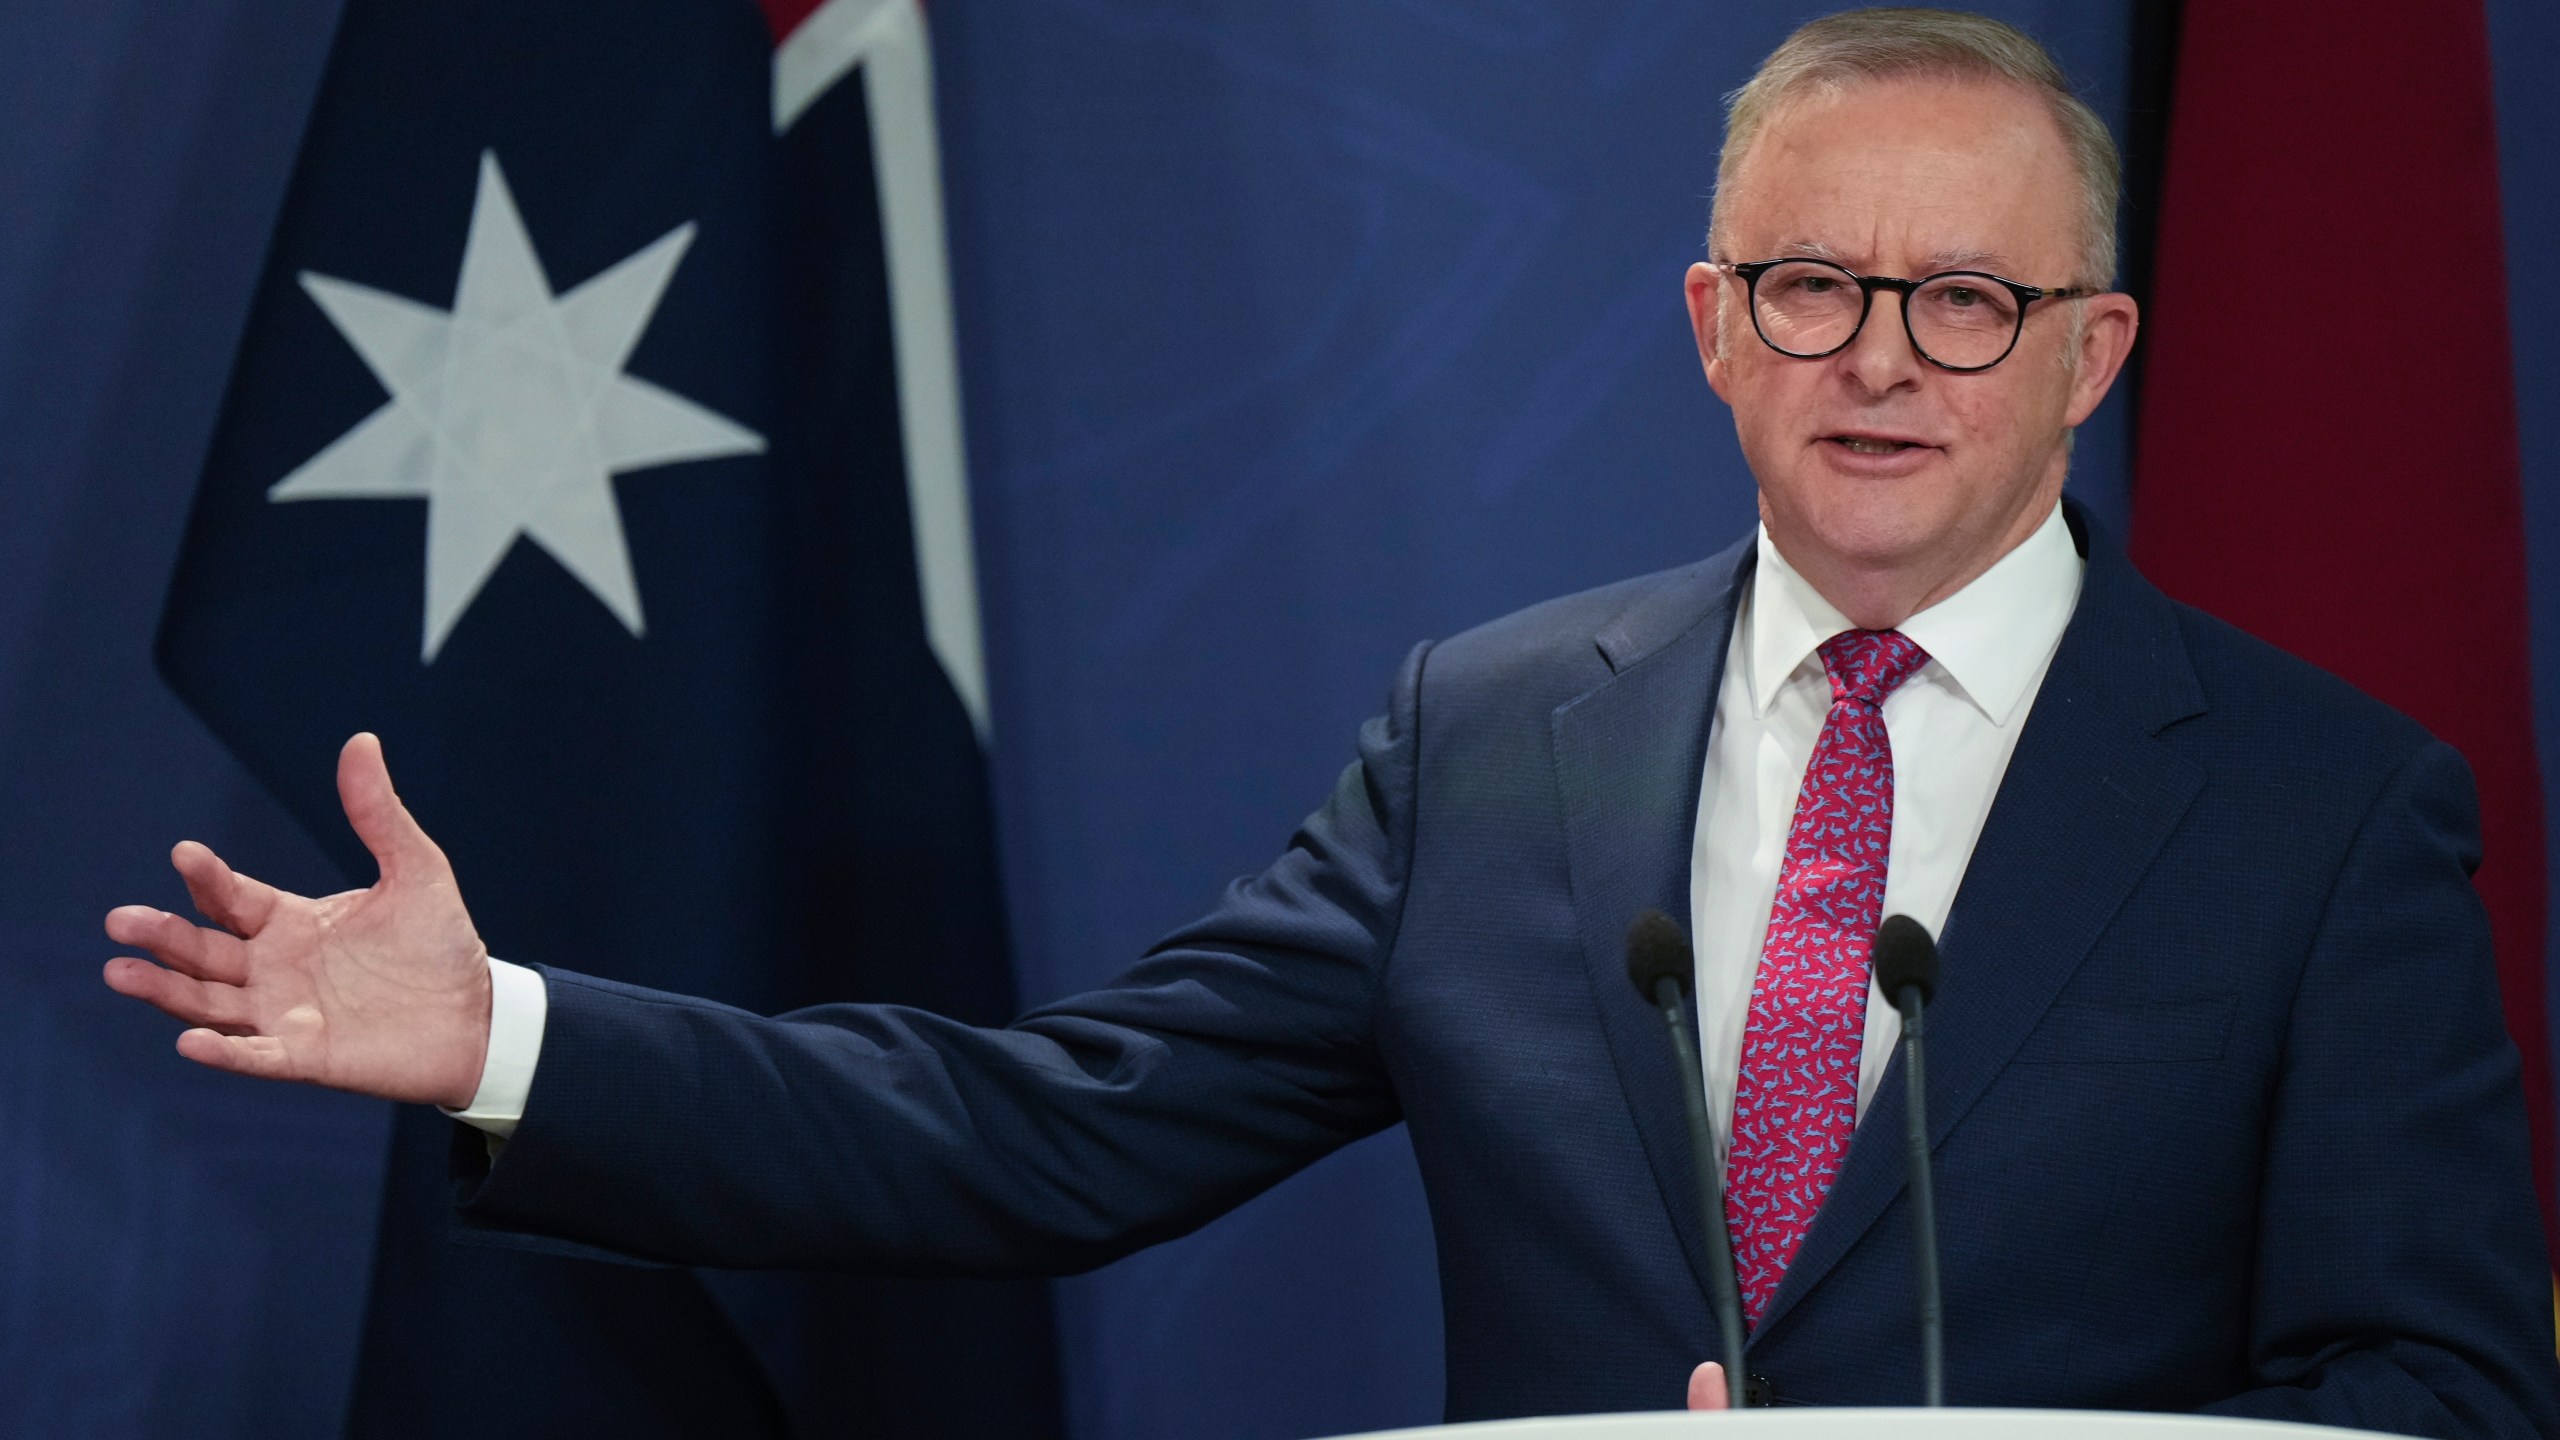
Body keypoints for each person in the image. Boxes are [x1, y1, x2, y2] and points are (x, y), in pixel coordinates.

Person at [100, 8, 2560, 1431]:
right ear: (1710, 328)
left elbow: (2432, 1393)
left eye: (1964, 302)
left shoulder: (2319, 807)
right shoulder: (1499, 740)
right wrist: (510, 1035)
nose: (1878, 362)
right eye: (1809, 287)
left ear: (2091, 354)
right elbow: (1039, 1137)